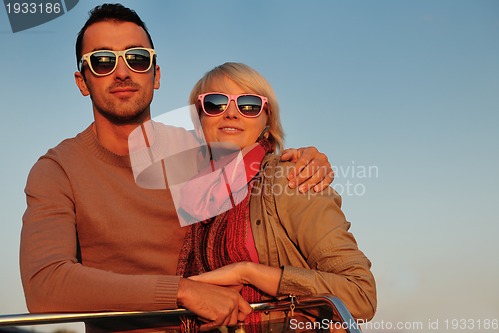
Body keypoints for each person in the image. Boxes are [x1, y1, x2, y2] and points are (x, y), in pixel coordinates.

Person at [19, 3, 335, 332]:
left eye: (137, 57)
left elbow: (265, 168)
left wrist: (305, 158)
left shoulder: (204, 151)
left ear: (155, 75)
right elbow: (45, 285)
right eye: (102, 61)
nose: (122, 72)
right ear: (82, 82)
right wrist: (181, 292)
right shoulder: (57, 170)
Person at [173, 62, 376, 331]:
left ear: (267, 119)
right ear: (199, 121)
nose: (231, 114)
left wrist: (247, 272)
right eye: (215, 103)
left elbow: (360, 294)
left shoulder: (291, 178)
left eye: (248, 104)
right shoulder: (185, 195)